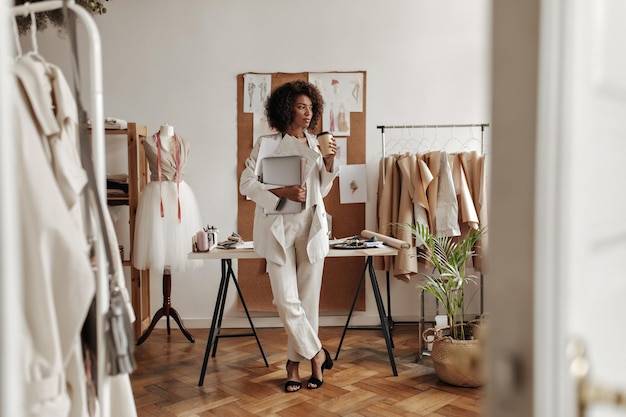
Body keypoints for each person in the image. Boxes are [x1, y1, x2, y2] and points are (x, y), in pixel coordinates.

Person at [240, 80, 339, 392]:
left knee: (308, 301)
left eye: (310, 108)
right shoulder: (267, 144)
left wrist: (329, 163)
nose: (307, 114)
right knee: (286, 300)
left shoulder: (315, 143)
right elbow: (246, 184)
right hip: (279, 227)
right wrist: (280, 191)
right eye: (301, 107)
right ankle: (317, 353)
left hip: (311, 225)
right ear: (286, 109)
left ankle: (295, 366)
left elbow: (321, 190)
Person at [133, 123, 204, 277]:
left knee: (177, 238)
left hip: (180, 194)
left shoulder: (184, 143)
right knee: (159, 237)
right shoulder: (149, 143)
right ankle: (166, 300)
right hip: (157, 194)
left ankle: (168, 299)